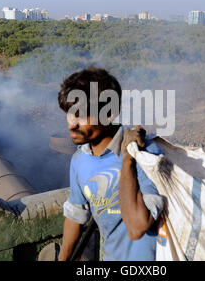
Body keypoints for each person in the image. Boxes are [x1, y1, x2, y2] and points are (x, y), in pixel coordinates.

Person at [57, 67, 164, 261]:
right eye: (69, 114)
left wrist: (127, 159)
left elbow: (138, 227)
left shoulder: (144, 152)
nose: (71, 124)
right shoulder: (79, 161)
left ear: (109, 113)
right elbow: (75, 215)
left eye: (81, 115)